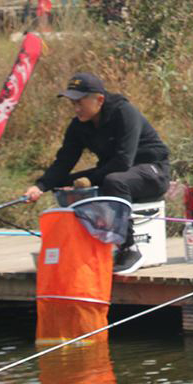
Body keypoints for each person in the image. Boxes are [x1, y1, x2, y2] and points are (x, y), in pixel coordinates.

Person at [23, 72, 170, 274]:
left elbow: (122, 161)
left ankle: (129, 249)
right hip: (119, 172)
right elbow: (64, 161)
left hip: (153, 171)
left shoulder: (124, 113)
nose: (75, 108)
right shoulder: (78, 125)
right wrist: (40, 187)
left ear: (99, 99)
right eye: (72, 103)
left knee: (114, 180)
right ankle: (83, 244)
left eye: (80, 102)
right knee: (64, 183)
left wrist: (89, 179)